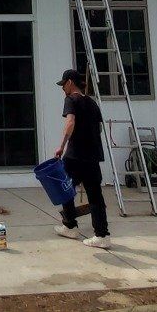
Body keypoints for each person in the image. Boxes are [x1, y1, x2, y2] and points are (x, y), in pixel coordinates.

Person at [52, 69, 111, 248]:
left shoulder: (71, 100)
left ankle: (70, 226)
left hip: (76, 155)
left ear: (70, 82)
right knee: (95, 195)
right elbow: (98, 129)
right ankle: (102, 236)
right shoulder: (92, 104)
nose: (63, 88)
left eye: (64, 85)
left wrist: (61, 146)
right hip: (92, 156)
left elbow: (70, 123)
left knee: (65, 189)